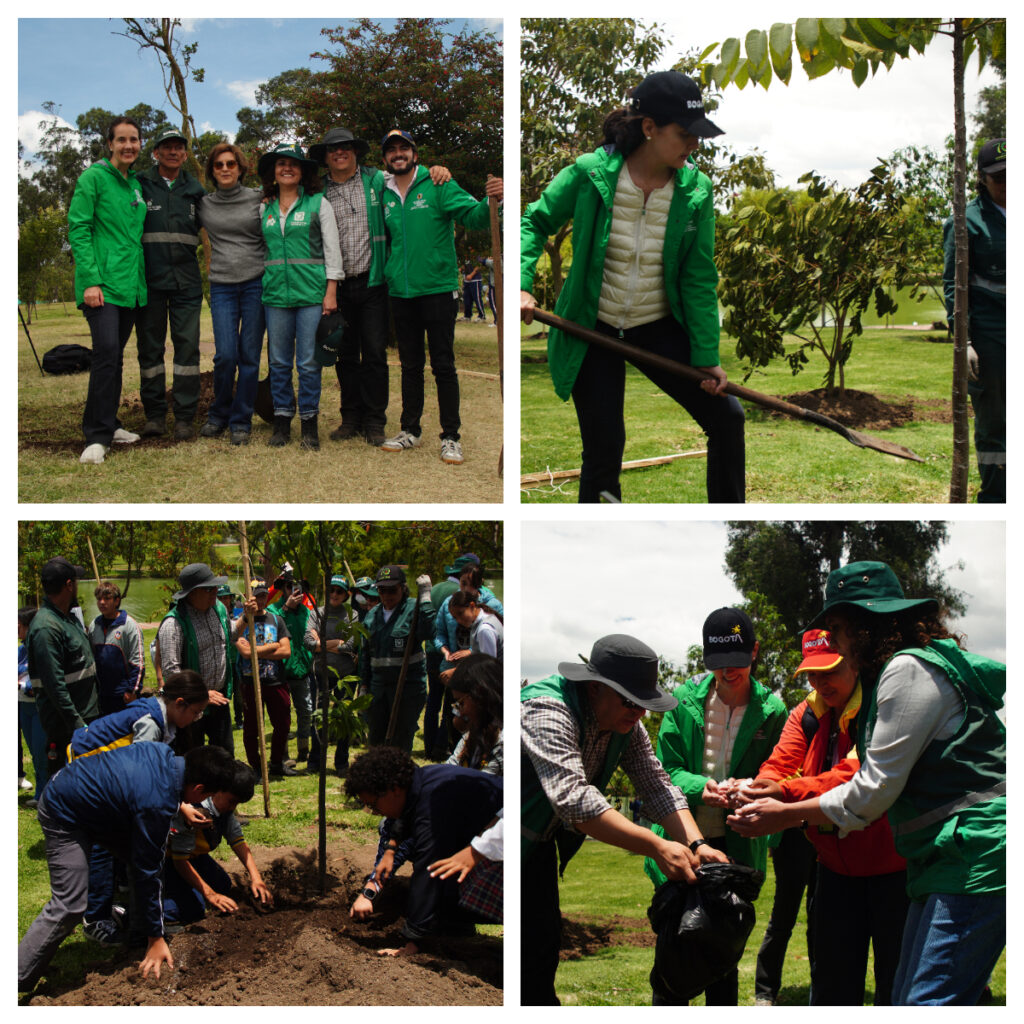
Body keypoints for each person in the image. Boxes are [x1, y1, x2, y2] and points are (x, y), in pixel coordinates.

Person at [728, 561, 1006, 1006]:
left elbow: (871, 788)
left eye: (836, 627)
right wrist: (768, 787)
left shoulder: (906, 671)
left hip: (973, 855)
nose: (831, 641)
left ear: (864, 626)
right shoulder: (899, 673)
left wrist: (785, 810)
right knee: (902, 996)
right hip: (942, 857)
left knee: (925, 1003)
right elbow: (785, 763)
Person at [521, 71, 745, 504]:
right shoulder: (589, 174)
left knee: (727, 418)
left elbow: (698, 276)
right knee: (604, 450)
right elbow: (533, 220)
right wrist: (521, 286)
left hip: (656, 324)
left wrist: (706, 356)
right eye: (685, 134)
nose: (694, 145)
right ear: (649, 128)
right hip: (593, 324)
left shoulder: (696, 190)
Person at [520, 634, 730, 1005]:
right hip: (496, 831)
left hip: (535, 843)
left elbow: (656, 784)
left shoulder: (625, 726)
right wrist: (657, 845)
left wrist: (697, 843)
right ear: (596, 688)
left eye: (643, 703)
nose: (639, 713)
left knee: (539, 950)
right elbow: (574, 800)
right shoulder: (547, 709)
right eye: (629, 700)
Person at [733, 628, 907, 1005]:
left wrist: (784, 796)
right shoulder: (807, 711)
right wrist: (757, 788)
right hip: (832, 871)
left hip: (893, 871)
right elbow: (779, 762)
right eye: (811, 673)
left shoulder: (883, 708)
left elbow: (854, 778)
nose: (818, 682)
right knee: (831, 987)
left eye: (828, 671)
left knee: (896, 989)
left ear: (856, 661)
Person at [643, 607, 787, 1005]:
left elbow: (779, 772)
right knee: (674, 954)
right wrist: (699, 787)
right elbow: (662, 769)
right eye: (719, 664)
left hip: (735, 847)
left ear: (755, 652)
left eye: (737, 663)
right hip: (683, 840)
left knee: (723, 954)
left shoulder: (773, 711)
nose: (728, 673)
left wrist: (752, 787)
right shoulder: (682, 702)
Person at [17, 743, 237, 991]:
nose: (202, 801)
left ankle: (137, 938)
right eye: (205, 797)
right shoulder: (157, 803)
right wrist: (157, 937)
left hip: (96, 802)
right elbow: (148, 870)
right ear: (198, 788)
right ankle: (17, 976)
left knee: (142, 857)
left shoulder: (165, 755)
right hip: (64, 809)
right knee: (70, 903)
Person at [307, 127, 452, 446]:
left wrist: (437, 170)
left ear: (356, 152)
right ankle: (350, 419)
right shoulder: (317, 190)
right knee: (343, 355)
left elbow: (411, 178)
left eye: (345, 147)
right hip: (336, 285)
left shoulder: (377, 180)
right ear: (326, 157)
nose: (339, 153)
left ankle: (375, 421)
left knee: (374, 354)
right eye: (333, 149)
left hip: (373, 282)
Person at [377, 129, 504, 465]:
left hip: (437, 290)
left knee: (443, 366)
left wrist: (496, 199)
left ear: (415, 154)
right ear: (385, 159)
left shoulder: (438, 184)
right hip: (401, 292)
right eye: (392, 150)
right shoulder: (384, 193)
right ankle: (410, 431)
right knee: (410, 366)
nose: (398, 154)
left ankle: (451, 437)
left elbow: (475, 217)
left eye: (404, 148)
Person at [344, 745, 502, 956]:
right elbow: (404, 818)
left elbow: (428, 871)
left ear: (394, 789)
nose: (374, 811)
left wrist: (413, 940)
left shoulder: (434, 805)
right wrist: (391, 849)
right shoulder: (421, 781)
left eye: (373, 804)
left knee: (445, 888)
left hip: (509, 844)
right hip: (485, 837)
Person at [67, 116, 147, 465]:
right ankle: (96, 437)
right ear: (110, 144)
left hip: (130, 285)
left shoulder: (134, 186)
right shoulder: (93, 178)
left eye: (134, 140)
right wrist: (89, 280)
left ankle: (111, 424)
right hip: (102, 286)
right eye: (122, 140)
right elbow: (79, 228)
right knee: (106, 354)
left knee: (114, 358)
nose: (128, 145)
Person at [258, 142, 343, 451]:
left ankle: (309, 423)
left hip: (312, 295)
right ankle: (282, 421)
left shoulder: (318, 204)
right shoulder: (263, 207)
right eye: (281, 163)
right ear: (273, 171)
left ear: (303, 171)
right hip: (275, 297)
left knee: (308, 363)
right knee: (279, 362)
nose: (287, 168)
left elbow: (332, 250)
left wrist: (331, 291)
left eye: (293, 163)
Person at [943, 138, 1005, 503]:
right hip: (989, 336)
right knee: (995, 423)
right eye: (999, 177)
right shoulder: (967, 221)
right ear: (982, 178)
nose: (1007, 183)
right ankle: (998, 494)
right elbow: (954, 283)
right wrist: (963, 340)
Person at [136, 127, 206, 441]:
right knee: (150, 351)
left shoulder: (195, 189)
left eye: (179, 147)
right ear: (156, 153)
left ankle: (184, 419)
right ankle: (154, 416)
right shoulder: (139, 184)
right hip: (148, 282)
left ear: (185, 154)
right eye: (167, 147)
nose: (173, 152)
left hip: (187, 284)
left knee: (187, 350)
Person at [198, 142, 267, 445]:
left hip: (256, 283)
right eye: (219, 165)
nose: (225, 169)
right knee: (226, 355)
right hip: (222, 286)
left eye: (231, 164)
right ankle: (219, 414)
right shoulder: (203, 204)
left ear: (240, 168)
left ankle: (241, 420)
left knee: (249, 355)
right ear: (212, 171)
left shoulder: (259, 197)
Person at [157, 563, 253, 755]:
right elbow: (171, 672)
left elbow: (231, 634)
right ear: (192, 593)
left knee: (225, 757)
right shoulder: (173, 623)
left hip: (220, 700)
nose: (215, 592)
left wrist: (246, 617)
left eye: (215, 587)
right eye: (209, 589)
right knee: (193, 760)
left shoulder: (218, 609)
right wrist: (201, 694)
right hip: (190, 708)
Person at [162, 759, 272, 925]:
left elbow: (237, 840)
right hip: (169, 862)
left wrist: (256, 878)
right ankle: (143, 910)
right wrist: (210, 895)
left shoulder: (224, 811)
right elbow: (180, 862)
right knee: (193, 910)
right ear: (217, 790)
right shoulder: (194, 812)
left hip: (195, 857)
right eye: (231, 801)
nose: (232, 807)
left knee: (223, 884)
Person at [25, 558, 99, 776]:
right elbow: (54, 685)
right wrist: (78, 725)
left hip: (86, 719)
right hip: (67, 728)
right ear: (69, 585)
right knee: (68, 788)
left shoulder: (68, 618)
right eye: (76, 580)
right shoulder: (46, 628)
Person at [359, 564, 436, 752]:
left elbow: (428, 631)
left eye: (392, 590)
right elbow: (365, 656)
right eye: (382, 590)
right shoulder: (372, 616)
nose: (387, 595)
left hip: (407, 688)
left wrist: (425, 597)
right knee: (376, 741)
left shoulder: (413, 609)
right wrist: (363, 686)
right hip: (378, 690)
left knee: (401, 741)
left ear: (403, 587)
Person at [234, 578, 295, 777]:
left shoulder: (276, 619)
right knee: (252, 727)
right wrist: (271, 646)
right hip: (250, 682)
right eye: (256, 596)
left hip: (276, 680)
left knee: (283, 723)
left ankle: (277, 762)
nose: (260, 600)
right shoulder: (241, 620)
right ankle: (256, 767)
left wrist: (256, 651)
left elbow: (285, 651)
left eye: (263, 596)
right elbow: (241, 649)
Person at [306, 574, 358, 773]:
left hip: (345, 675)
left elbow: (352, 645)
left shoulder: (351, 615)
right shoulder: (316, 614)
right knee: (318, 718)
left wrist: (322, 642)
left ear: (346, 595)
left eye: (339, 591)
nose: (335, 594)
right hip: (321, 675)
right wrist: (337, 643)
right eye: (332, 590)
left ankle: (341, 763)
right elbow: (309, 642)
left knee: (344, 717)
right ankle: (315, 762)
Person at [88, 581, 145, 715]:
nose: (102, 602)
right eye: (99, 599)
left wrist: (132, 690)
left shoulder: (129, 626)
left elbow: (138, 662)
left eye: (107, 599)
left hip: (123, 695)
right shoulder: (94, 625)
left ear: (117, 600)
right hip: (101, 694)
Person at [446, 653, 503, 774]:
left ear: (480, 696)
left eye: (460, 703)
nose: (458, 711)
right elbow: (449, 769)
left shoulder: (503, 743)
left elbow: (478, 783)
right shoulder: (471, 736)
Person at [18, 607, 47, 807]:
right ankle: (39, 793)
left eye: (19, 626)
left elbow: (43, 677)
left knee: (41, 752)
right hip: (23, 706)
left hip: (39, 706)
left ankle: (47, 795)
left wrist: (23, 685)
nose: (15, 629)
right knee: (34, 752)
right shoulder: (21, 649)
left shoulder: (41, 647)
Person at [446, 591, 503, 663]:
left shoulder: (484, 629)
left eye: (460, 613)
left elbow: (488, 666)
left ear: (472, 606)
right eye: (455, 618)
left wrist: (455, 671)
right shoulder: (487, 616)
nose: (459, 620)